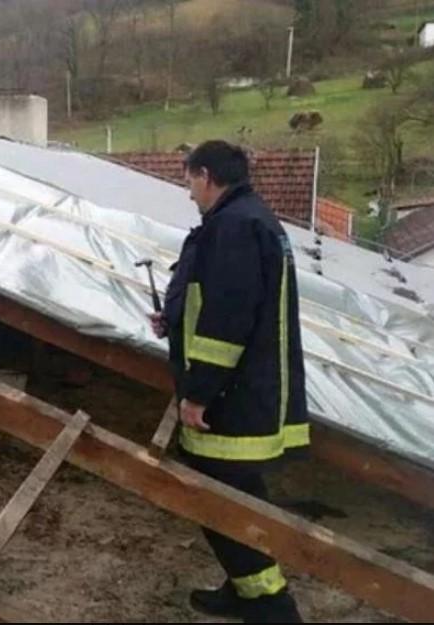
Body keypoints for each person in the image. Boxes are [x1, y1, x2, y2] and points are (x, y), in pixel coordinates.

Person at [150, 140, 308, 623]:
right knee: (235, 499)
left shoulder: (235, 229)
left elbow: (228, 320)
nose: (189, 192)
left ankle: (271, 608)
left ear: (205, 175)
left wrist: (198, 395)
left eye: (189, 181)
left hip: (231, 403)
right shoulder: (248, 221)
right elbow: (215, 301)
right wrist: (173, 319)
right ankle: (247, 590)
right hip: (242, 394)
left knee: (221, 502)